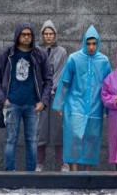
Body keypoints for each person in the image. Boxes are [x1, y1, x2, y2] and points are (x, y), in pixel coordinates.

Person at [0, 22, 52, 172]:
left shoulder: (39, 54)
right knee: (10, 140)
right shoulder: (7, 54)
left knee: (32, 141)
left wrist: (43, 101)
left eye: (29, 35)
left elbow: (48, 80)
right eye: (23, 34)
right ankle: (9, 174)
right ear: (17, 36)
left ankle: (30, 175)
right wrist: (3, 99)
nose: (26, 37)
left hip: (33, 106)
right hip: (12, 104)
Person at [53, 25, 112, 171]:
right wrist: (59, 104)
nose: (91, 47)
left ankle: (87, 174)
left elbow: (109, 86)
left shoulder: (104, 61)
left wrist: (109, 109)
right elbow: (65, 82)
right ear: (84, 43)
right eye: (88, 43)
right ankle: (74, 172)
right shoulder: (74, 58)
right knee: (74, 137)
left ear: (98, 43)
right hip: (75, 105)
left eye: (94, 43)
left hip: (95, 106)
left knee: (92, 138)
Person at [36, 20, 67, 172]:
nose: (48, 36)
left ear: (55, 35)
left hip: (56, 95)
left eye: (51, 34)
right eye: (45, 34)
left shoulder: (61, 51)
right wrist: (42, 91)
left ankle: (62, 163)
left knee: (57, 129)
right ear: (42, 35)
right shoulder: (36, 50)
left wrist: (51, 88)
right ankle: (39, 163)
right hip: (40, 97)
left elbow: (61, 72)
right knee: (40, 129)